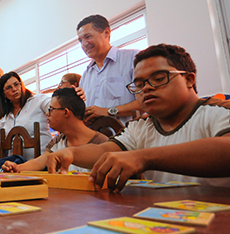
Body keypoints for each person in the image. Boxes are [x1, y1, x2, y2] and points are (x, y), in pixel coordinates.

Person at [46, 44, 230, 192]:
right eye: (139, 84)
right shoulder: (140, 127)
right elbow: (105, 150)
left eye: (159, 78)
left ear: (189, 80)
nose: (147, 88)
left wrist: (144, 158)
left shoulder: (218, 112)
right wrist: (72, 153)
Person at [2, 87, 107, 173]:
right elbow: (40, 162)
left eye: (51, 109)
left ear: (66, 112)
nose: (48, 114)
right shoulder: (57, 141)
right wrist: (17, 168)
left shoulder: (102, 144)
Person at [77, 15, 142, 124]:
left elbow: (146, 103)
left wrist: (108, 111)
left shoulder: (133, 58)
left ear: (107, 33)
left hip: (131, 136)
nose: (84, 44)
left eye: (88, 37)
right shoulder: (86, 75)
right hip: (97, 138)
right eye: (80, 40)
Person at [0, 72, 52, 160]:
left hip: (44, 163)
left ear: (21, 84)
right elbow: (1, 142)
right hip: (16, 167)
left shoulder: (38, 100)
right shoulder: (5, 116)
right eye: (8, 87)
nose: (14, 89)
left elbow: (54, 107)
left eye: (16, 84)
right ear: (3, 94)